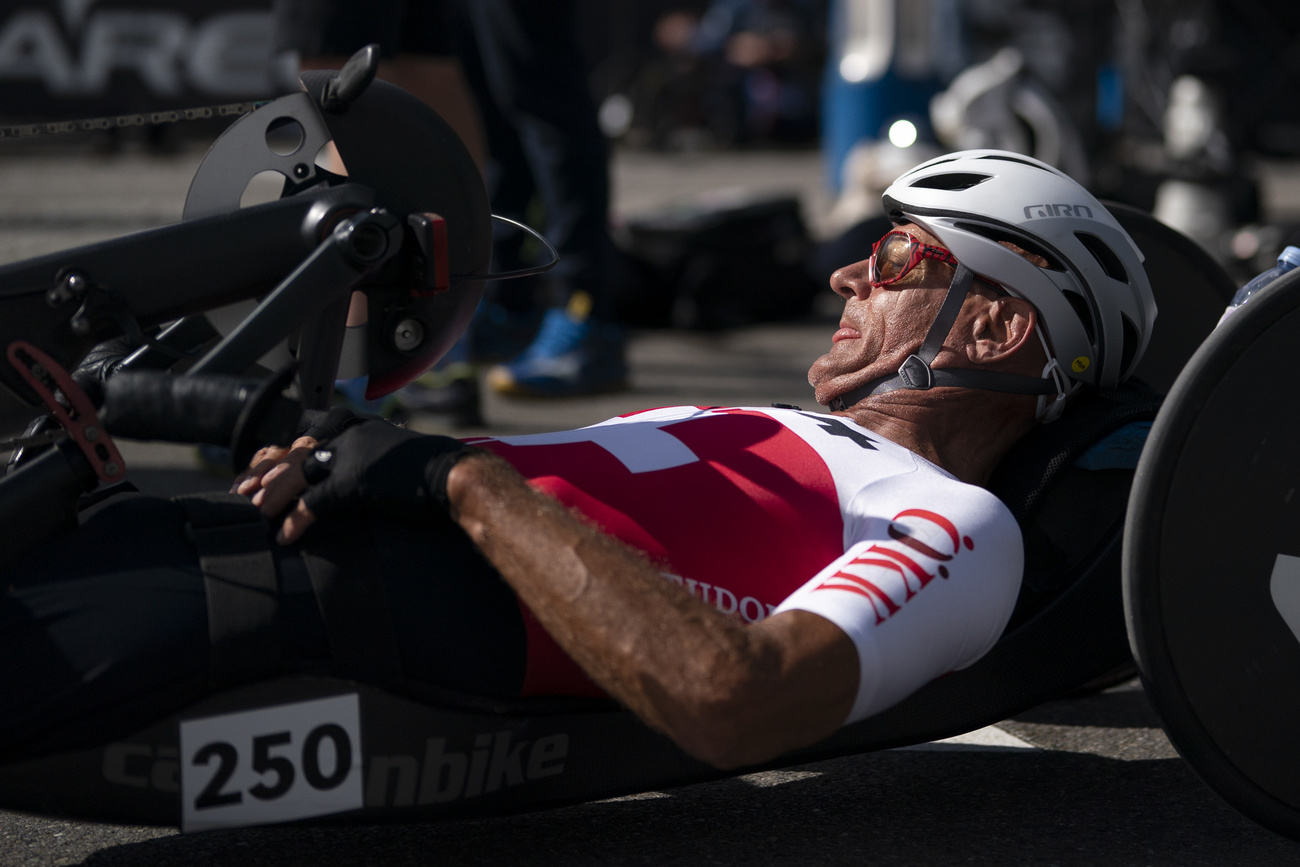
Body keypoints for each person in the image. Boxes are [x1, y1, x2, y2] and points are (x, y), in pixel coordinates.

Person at [0, 151, 1154, 769]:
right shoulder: (768, 425)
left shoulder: (953, 526)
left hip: (244, 613)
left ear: (997, 329)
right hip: (170, 540)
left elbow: (737, 701)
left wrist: (453, 478)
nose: (848, 277)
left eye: (898, 254)